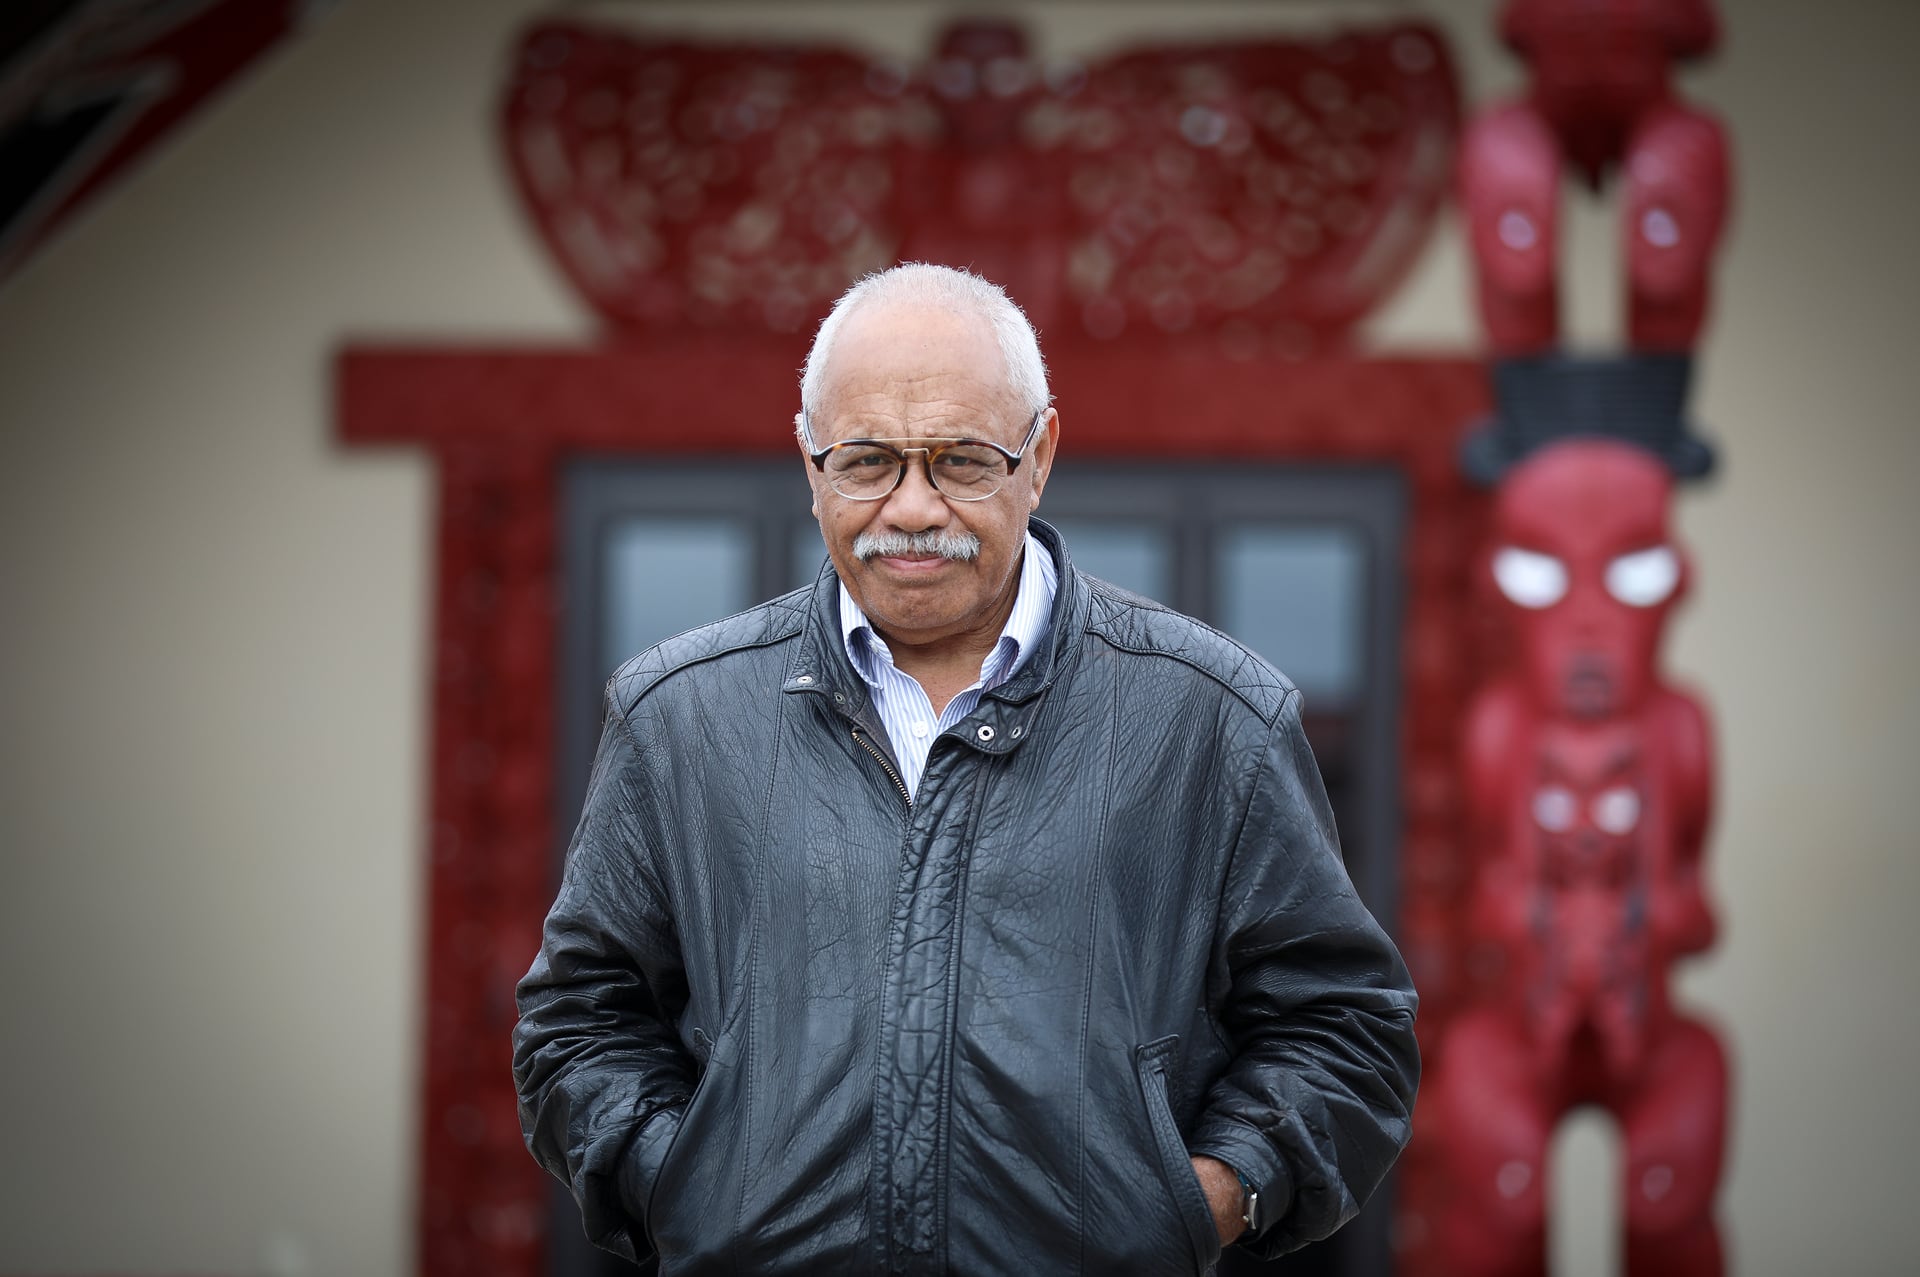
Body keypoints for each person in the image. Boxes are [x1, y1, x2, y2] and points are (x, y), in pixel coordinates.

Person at [513, 263, 1419, 1275]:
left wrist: (1195, 1201)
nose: (911, 507)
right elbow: (577, 1022)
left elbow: (1344, 1028)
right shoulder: (678, 716)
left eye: (960, 460)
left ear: (1041, 457)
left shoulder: (1213, 717)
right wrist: (689, 1190)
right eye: (867, 461)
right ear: (810, 463)